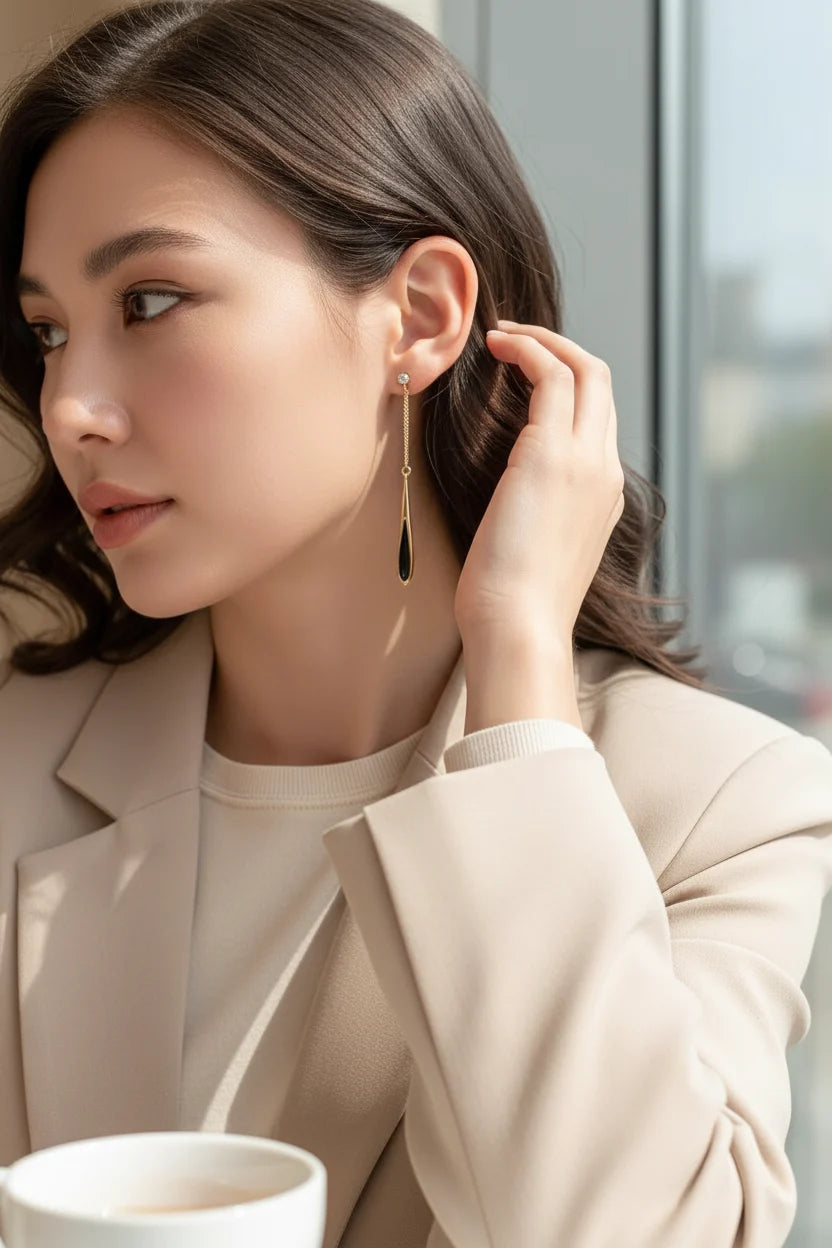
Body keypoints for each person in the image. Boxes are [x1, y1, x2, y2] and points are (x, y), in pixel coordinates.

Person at [0, 2, 830, 1245]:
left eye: (153, 300)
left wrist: (515, 667)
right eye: (50, 331)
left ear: (424, 316)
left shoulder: (719, 804)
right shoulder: (17, 763)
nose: (69, 406)